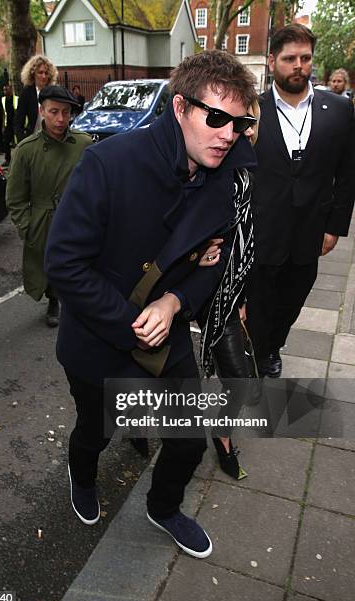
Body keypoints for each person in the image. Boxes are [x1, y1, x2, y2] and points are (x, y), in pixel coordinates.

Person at [44, 50, 257, 559]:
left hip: (171, 330)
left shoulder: (227, 178)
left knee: (188, 438)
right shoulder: (108, 162)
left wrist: (174, 301)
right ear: (181, 107)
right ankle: (82, 472)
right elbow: (64, 263)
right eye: (217, 117)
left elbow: (215, 265)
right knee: (95, 429)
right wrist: (135, 322)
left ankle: (163, 508)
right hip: (99, 336)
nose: (228, 133)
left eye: (240, 122)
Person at [246, 24, 355, 378]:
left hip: (311, 231)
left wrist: (335, 227)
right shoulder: (253, 109)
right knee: (261, 302)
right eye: (290, 58)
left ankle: (273, 343)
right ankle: (261, 353)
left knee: (293, 300)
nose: (298, 66)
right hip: (262, 230)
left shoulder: (338, 109)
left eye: (305, 58)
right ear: (272, 60)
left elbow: (347, 172)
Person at [197, 99, 260, 480]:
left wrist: (241, 296)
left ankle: (221, 433)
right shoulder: (202, 164)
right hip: (184, 287)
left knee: (239, 379)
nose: (246, 131)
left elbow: (245, 239)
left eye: (251, 122)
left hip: (225, 291)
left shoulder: (245, 169)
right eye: (238, 122)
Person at [6, 85, 92, 327]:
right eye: (54, 112)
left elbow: (94, 183)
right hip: (44, 220)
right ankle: (54, 300)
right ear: (41, 111)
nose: (61, 119)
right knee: (50, 267)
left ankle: (80, 303)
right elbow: (15, 198)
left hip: (76, 215)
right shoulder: (26, 150)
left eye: (66, 112)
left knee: (81, 261)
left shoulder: (83, 144)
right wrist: (28, 228)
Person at [14, 55, 58, 142]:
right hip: (34, 140)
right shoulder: (27, 93)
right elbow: (18, 121)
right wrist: (23, 141)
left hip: (53, 140)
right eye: (40, 72)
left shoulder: (54, 92)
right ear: (33, 74)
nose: (44, 76)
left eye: (46, 73)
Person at [1, 84, 18, 167]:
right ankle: (8, 160)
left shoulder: (16, 99)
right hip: (8, 124)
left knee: (20, 142)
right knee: (6, 142)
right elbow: (3, 113)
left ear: (11, 90)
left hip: (16, 124)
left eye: (6, 89)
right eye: (4, 90)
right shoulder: (3, 100)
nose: (5, 91)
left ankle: (21, 160)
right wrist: (3, 126)